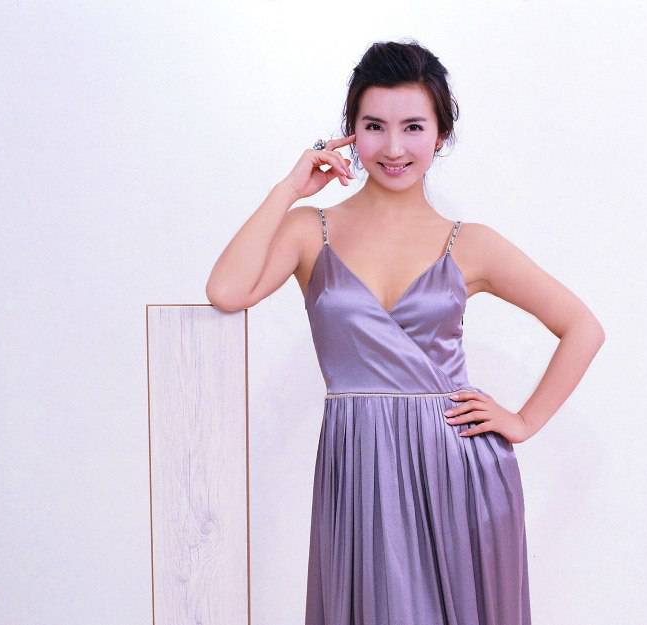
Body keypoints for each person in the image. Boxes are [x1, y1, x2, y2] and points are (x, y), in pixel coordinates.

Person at [206, 39, 604, 625]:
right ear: (351, 133)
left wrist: (522, 421)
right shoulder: (309, 230)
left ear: (440, 135)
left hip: (459, 473)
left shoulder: (471, 243)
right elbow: (226, 291)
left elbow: (582, 328)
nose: (394, 148)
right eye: (375, 127)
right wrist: (289, 188)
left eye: (413, 127)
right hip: (360, 469)